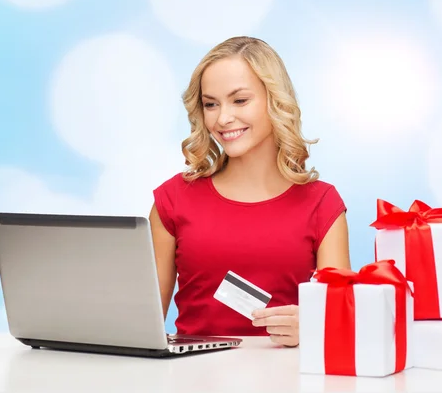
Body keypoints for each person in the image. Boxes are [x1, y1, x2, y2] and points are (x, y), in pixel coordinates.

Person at [150, 36, 350, 347]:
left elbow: (341, 324)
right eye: (210, 104)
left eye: (240, 100)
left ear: (275, 100)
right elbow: (143, 326)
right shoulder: (172, 200)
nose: (222, 118)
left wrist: (317, 326)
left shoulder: (321, 204)